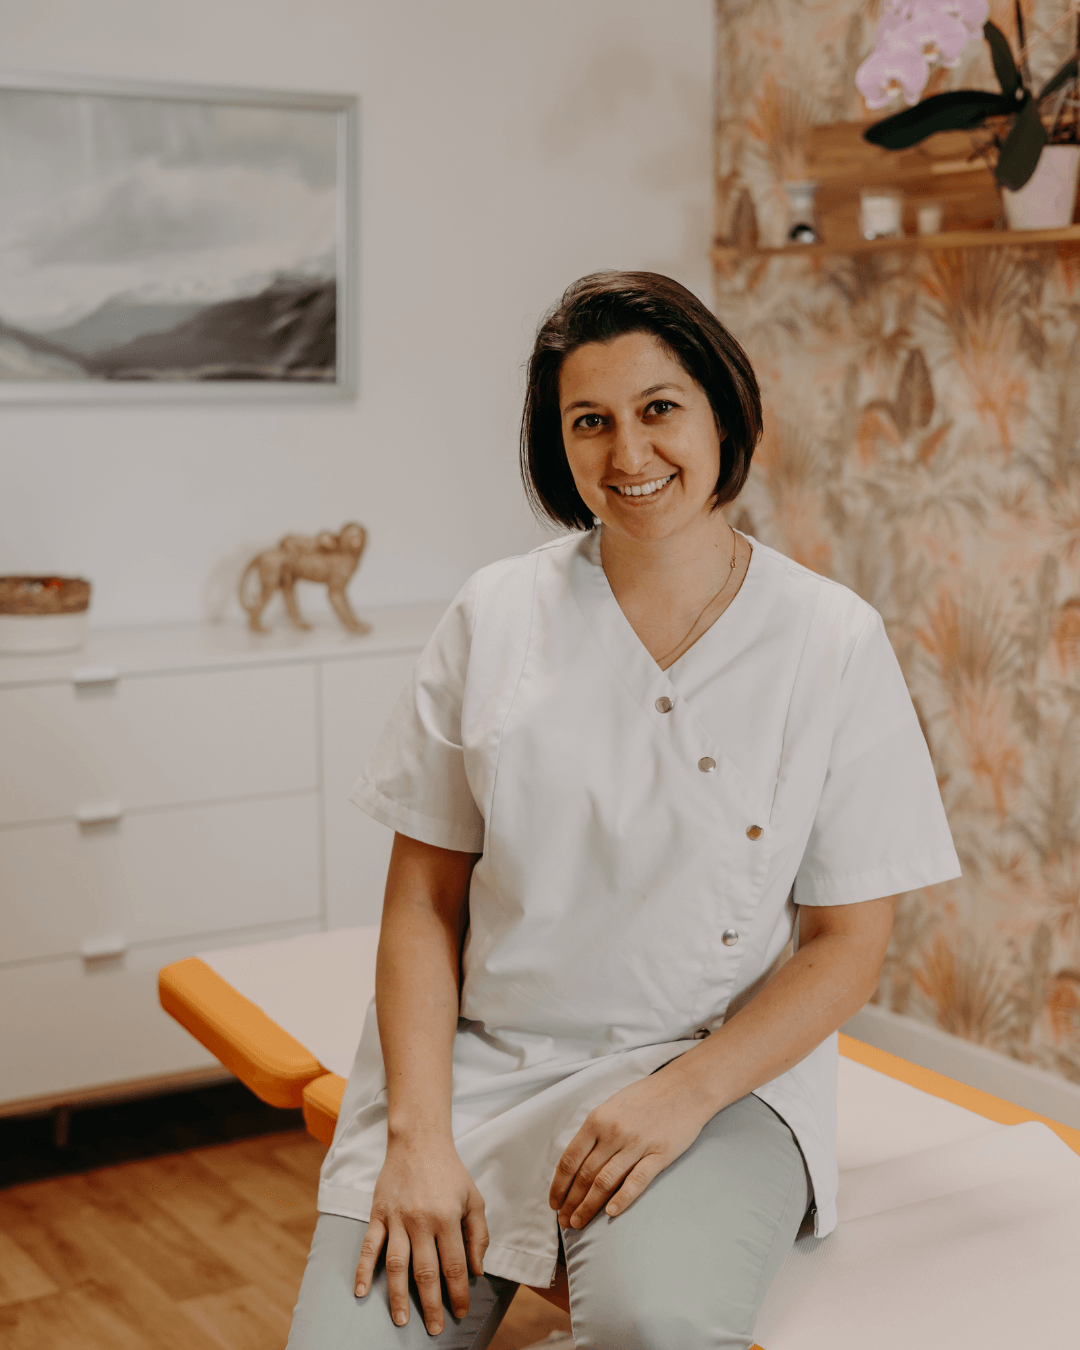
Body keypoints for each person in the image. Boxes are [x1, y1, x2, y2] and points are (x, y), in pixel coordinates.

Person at [286, 272, 960, 1350]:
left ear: (722, 413)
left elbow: (847, 945)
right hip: (480, 1069)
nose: (628, 452)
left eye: (659, 409)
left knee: (658, 1323)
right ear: (556, 443)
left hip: (715, 1074)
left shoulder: (829, 641)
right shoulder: (496, 616)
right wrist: (416, 1136)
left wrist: (685, 1093)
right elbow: (422, 904)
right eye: (589, 421)